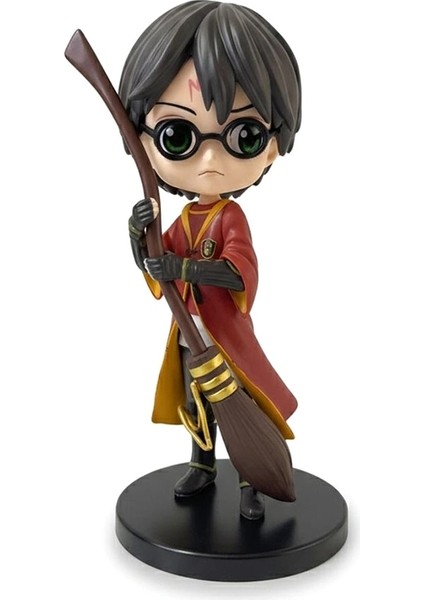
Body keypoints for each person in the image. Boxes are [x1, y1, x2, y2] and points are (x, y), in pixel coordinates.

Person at [119, 1, 301, 519]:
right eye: (178, 136)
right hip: (188, 333)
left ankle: (250, 478)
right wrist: (138, 237)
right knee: (196, 401)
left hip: (223, 334)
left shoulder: (229, 218)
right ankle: (202, 464)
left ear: (271, 147)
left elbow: (239, 272)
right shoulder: (185, 220)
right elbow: (157, 259)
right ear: (144, 143)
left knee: (239, 400)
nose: (210, 160)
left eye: (244, 136)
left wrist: (183, 270)